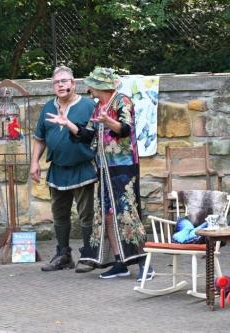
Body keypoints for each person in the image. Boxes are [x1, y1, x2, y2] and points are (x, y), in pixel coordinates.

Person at [46, 67, 154, 281]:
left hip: (124, 168)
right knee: (108, 214)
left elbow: (124, 129)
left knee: (128, 214)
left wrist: (108, 122)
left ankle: (145, 264)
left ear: (101, 86)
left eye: (92, 84)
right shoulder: (99, 108)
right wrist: (68, 124)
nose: (89, 88)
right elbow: (88, 135)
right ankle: (119, 262)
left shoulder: (123, 101)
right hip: (103, 169)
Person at [30, 66, 97, 272]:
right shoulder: (48, 108)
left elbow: (94, 137)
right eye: (57, 82)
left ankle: (88, 256)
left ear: (73, 84)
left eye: (65, 81)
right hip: (57, 169)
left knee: (86, 215)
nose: (61, 85)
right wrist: (34, 163)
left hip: (82, 168)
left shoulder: (88, 106)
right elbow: (39, 139)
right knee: (59, 215)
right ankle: (63, 255)